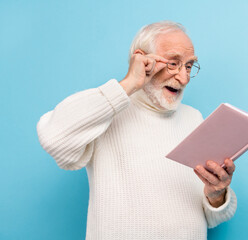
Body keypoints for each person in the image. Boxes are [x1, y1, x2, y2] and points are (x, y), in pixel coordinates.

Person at [37, 21, 237, 240]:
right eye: (173, 63)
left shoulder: (194, 118)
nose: (184, 78)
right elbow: (54, 138)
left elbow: (212, 218)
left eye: (189, 66)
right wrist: (130, 83)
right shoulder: (107, 111)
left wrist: (216, 196)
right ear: (142, 60)